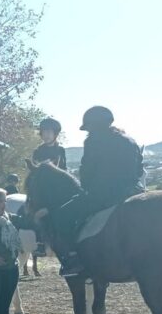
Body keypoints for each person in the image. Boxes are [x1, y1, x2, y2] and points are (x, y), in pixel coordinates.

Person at [48, 106, 145, 277]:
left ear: (94, 125)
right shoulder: (129, 140)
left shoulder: (93, 141)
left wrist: (85, 189)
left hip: (105, 194)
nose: (89, 131)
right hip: (133, 191)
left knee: (62, 216)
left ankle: (73, 259)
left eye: (89, 127)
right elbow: (139, 170)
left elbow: (87, 171)